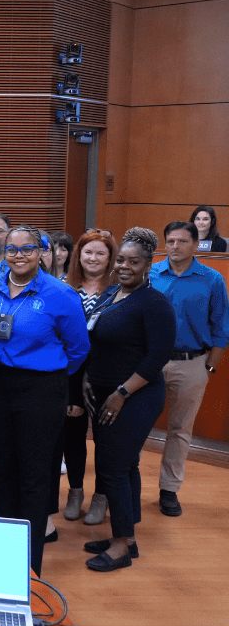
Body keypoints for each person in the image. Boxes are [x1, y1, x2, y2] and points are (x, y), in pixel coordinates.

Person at [0, 226, 89, 576]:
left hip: (40, 391)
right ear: (4, 252)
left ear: (42, 252)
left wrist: (44, 373)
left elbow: (78, 349)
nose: (19, 256)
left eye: (28, 249)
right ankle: (4, 561)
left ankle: (29, 568)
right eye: (12, 249)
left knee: (35, 477)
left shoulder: (59, 294)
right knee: (4, 471)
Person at [82, 229, 175, 571]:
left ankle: (120, 546)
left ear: (148, 265)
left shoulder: (154, 303)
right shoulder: (111, 295)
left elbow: (157, 358)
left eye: (133, 262)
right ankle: (128, 537)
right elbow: (98, 342)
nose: (124, 266)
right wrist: (90, 378)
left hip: (136, 397)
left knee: (114, 469)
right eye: (120, 260)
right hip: (105, 396)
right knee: (124, 466)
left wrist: (121, 394)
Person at [149, 220, 229, 517]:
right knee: (135, 424)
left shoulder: (212, 279)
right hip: (150, 362)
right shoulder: (151, 272)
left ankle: (169, 490)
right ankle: (121, 488)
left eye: (182, 242)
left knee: (180, 430)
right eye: (170, 241)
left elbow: (221, 327)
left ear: (195, 245)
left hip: (193, 363)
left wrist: (208, 368)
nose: (175, 247)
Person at [61, 230, 117, 525]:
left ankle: (101, 497)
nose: (93, 258)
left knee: (106, 440)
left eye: (100, 254)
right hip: (72, 375)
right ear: (77, 256)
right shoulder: (63, 288)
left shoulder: (120, 289)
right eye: (88, 253)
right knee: (73, 438)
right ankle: (75, 491)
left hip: (108, 377)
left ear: (110, 259)